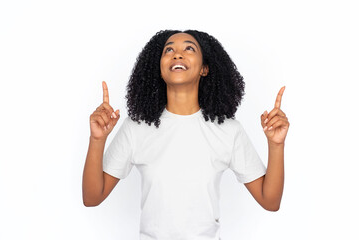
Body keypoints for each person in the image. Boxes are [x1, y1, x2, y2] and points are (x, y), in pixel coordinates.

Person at [82, 29, 290, 240]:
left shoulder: (228, 130)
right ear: (160, 68)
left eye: (189, 48)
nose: (177, 54)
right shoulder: (136, 127)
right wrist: (97, 140)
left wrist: (276, 145)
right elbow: (92, 197)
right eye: (168, 49)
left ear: (205, 69)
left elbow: (270, 201)